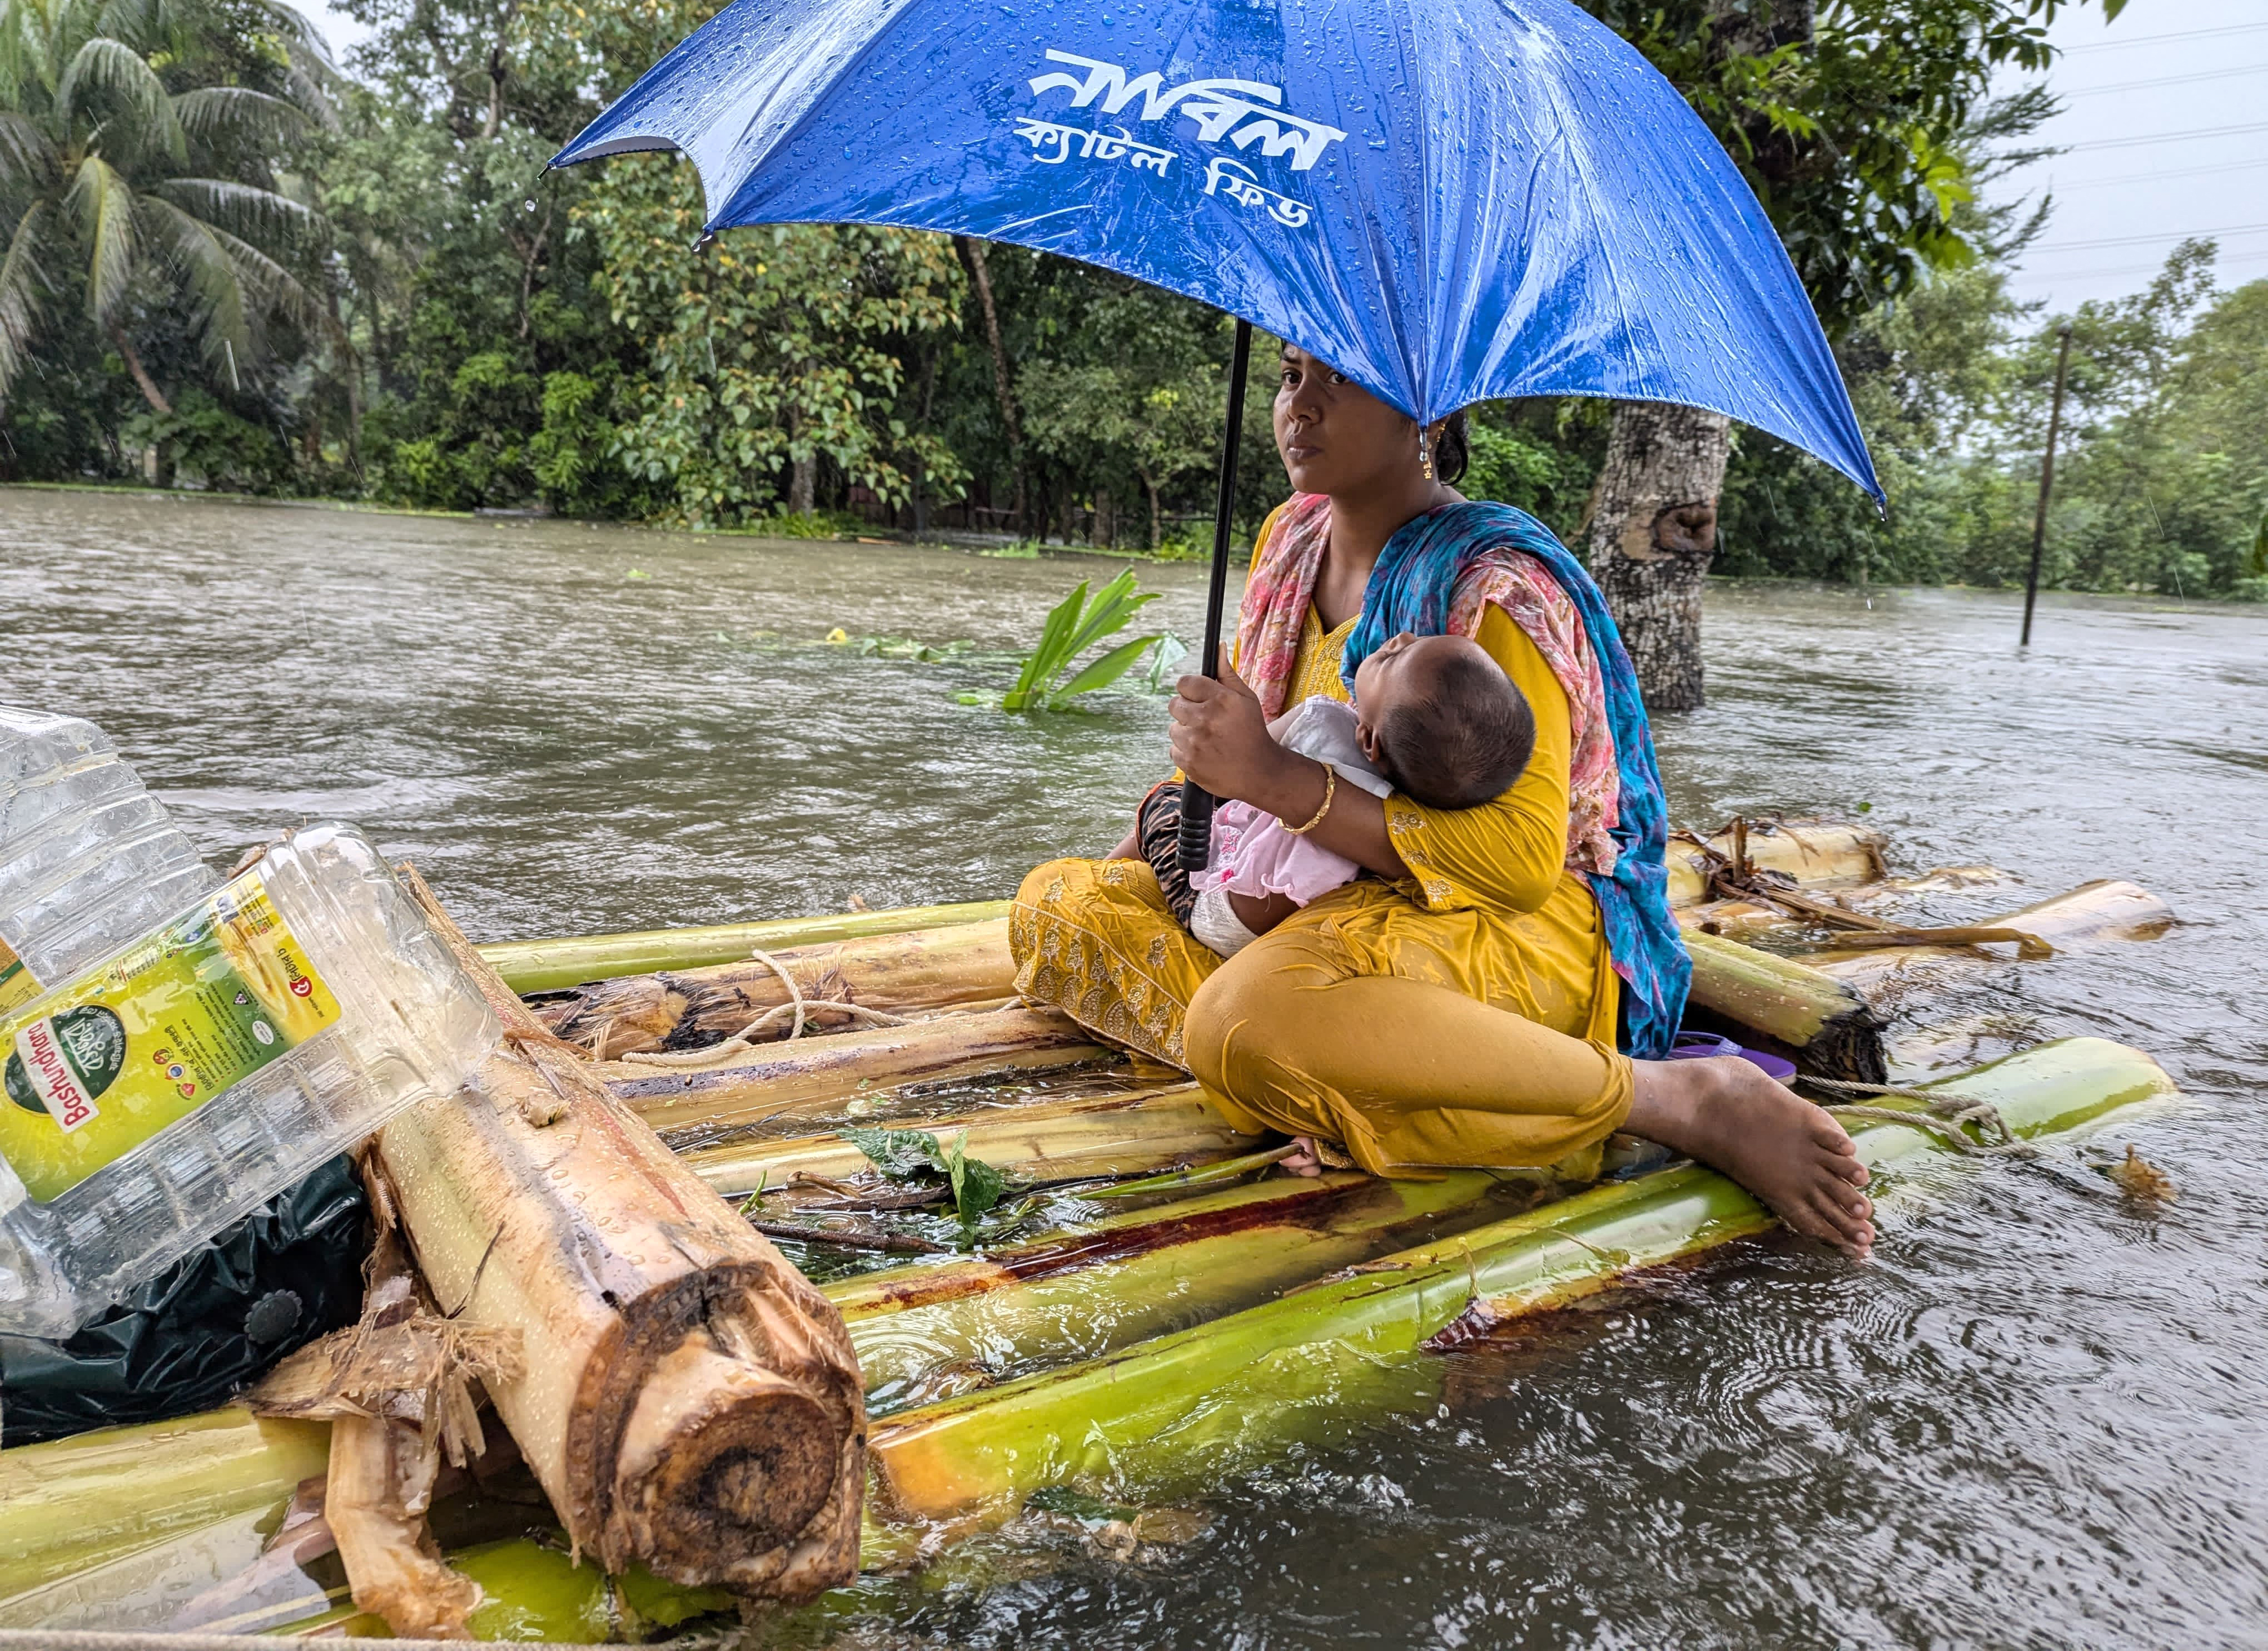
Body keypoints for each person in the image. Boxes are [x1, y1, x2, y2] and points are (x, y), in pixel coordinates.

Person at [1011, 344, 1875, 1258]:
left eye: (1337, 381)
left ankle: (1670, 1099)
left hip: (1492, 927)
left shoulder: (1494, 589)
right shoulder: (1285, 541)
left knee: (1243, 1023)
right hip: (1308, 904)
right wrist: (1184, 806)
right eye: (1290, 376)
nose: (1298, 409)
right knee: (1056, 905)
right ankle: (1360, 1081)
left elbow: (1519, 862)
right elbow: (1243, 783)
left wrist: (1274, 779)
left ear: (1426, 414)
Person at [1125, 634, 1536, 959]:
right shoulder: (1411, 808)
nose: (1401, 636)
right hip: (1278, 937)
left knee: (1168, 799)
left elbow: (1226, 774)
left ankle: (1103, 873)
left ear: (1370, 741)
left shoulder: (1322, 721)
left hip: (1216, 918)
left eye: (1394, 657)